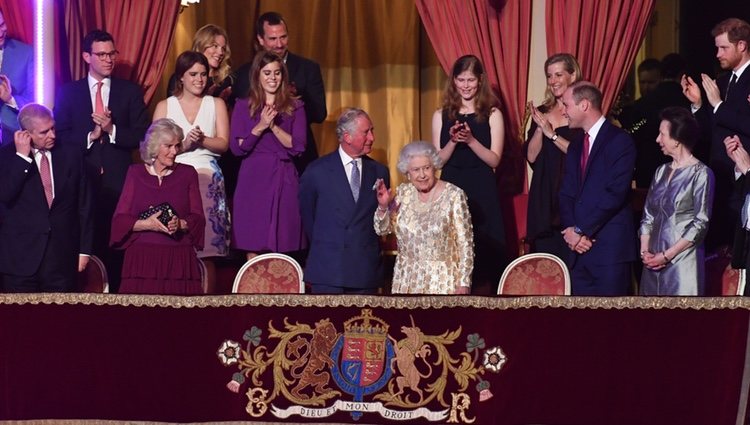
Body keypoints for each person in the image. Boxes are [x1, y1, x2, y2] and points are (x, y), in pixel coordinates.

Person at [54, 29, 149, 293]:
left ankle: (118, 298)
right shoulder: (69, 92)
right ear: (87, 56)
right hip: (82, 180)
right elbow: (58, 137)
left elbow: (144, 134)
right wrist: (91, 135)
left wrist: (112, 130)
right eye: (102, 54)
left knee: (117, 244)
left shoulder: (129, 91)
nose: (109, 59)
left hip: (119, 183)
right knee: (84, 241)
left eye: (112, 53)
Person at [153, 51, 230, 294]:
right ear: (181, 77)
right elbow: (152, 148)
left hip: (206, 177)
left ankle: (206, 305)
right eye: (193, 74)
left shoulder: (216, 104)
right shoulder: (165, 106)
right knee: (173, 245)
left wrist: (203, 140)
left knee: (205, 249)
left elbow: (224, 144)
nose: (199, 79)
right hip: (172, 176)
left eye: (204, 74)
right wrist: (183, 145)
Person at [0, 104, 93, 292]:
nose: (52, 135)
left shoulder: (71, 153)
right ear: (25, 134)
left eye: (53, 128)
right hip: (20, 262)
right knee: (21, 320)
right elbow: (5, 195)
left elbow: (84, 204)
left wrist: (84, 250)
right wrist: (22, 158)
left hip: (61, 260)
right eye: (44, 132)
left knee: (59, 319)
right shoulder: (7, 157)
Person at [432, 54, 506, 288]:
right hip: (451, 186)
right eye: (461, 80)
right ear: (453, 81)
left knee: (484, 252)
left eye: (471, 80)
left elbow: (494, 160)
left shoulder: (493, 114)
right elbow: (438, 162)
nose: (465, 86)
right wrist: (453, 141)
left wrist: (471, 140)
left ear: (480, 80)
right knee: (452, 249)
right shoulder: (440, 115)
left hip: (482, 189)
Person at [299, 108, 390, 294]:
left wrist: (383, 207)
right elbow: (308, 218)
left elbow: (380, 224)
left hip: (365, 271)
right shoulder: (317, 171)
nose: (372, 138)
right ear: (347, 137)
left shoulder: (379, 172)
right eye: (366, 132)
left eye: (372, 131)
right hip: (328, 271)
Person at [558, 81, 637, 295]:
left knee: (612, 322)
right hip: (578, 251)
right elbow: (566, 192)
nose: (562, 111)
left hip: (609, 250)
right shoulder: (575, 145)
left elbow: (615, 193)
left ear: (584, 105)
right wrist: (571, 231)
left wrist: (581, 230)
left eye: (566, 105)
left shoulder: (620, 141)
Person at [110, 119, 205, 295]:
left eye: (177, 146)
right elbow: (120, 221)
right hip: (142, 261)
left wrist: (180, 224)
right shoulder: (135, 173)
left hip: (178, 260)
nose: (174, 151)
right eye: (168, 146)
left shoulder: (188, 173)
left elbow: (198, 218)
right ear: (154, 147)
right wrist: (148, 224)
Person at [230, 51, 306, 260]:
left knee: (282, 239)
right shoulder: (242, 106)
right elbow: (238, 148)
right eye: (267, 73)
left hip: (284, 176)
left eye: (277, 73)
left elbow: (298, 146)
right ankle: (254, 292)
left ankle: (281, 291)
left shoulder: (295, 107)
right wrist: (261, 125)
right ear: (257, 75)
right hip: (253, 178)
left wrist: (272, 126)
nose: (272, 78)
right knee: (252, 239)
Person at [682, 18, 750, 250]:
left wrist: (719, 105)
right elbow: (711, 131)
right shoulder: (721, 82)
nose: (718, 53)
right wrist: (699, 105)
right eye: (716, 48)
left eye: (724, 48)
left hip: (744, 181)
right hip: (719, 179)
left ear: (741, 45)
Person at [374, 141, 473, 294]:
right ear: (407, 172)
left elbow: (465, 244)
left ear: (434, 167)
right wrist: (383, 207)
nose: (422, 175)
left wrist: (464, 282)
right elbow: (382, 230)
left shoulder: (454, 195)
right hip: (406, 280)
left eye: (426, 168)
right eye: (415, 170)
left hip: (443, 281)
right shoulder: (402, 194)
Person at [235, 11, 327, 174]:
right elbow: (240, 120)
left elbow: (319, 114)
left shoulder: (307, 68)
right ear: (260, 39)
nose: (279, 44)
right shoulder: (244, 74)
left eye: (283, 37)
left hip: (297, 159)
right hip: (256, 160)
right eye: (272, 39)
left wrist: (293, 99)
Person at [639, 107, 714, 295]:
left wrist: (667, 256)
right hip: (652, 262)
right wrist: (645, 252)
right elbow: (648, 216)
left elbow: (700, 223)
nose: (657, 139)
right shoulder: (660, 171)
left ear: (677, 140)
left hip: (682, 263)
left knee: (680, 321)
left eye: (662, 134)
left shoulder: (701, 173)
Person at [524, 53, 584, 259]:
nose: (553, 81)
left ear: (573, 75)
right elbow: (531, 157)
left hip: (574, 197)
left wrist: (552, 133)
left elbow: (583, 155)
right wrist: (541, 128)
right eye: (549, 76)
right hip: (544, 201)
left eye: (558, 74)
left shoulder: (582, 112)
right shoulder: (541, 112)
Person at [620, 54, 691, 188]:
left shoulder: (641, 106)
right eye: (642, 82)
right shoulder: (686, 102)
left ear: (660, 78)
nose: (646, 87)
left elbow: (634, 131)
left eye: (651, 82)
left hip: (649, 171)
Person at [168, 24, 235, 104]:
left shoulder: (227, 81)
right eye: (215, 46)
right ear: (201, 45)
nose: (220, 53)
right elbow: (172, 109)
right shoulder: (180, 78)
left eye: (223, 48)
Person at [0, 7, 34, 145]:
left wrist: (10, 99)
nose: (1, 32)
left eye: (2, 25)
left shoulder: (25, 53)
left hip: (14, 138)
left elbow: (36, 101)